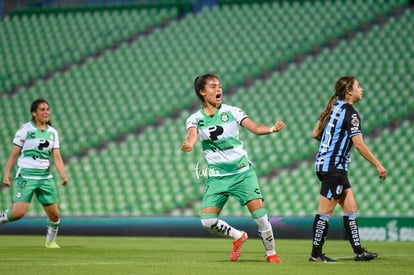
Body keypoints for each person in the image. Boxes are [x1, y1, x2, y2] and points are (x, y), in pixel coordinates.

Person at [181, 73, 285, 263]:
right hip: (218, 177)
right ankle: (238, 236)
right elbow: (192, 135)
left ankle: (271, 253)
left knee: (260, 217)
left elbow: (254, 127)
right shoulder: (195, 119)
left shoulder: (233, 111)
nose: (218, 89)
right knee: (207, 222)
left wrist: (271, 129)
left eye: (219, 85)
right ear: (202, 92)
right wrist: (189, 143)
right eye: (213, 86)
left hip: (243, 174)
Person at [309, 76, 387, 262]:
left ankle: (359, 252)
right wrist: (378, 164)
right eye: (359, 86)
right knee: (325, 212)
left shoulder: (333, 109)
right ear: (349, 92)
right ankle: (315, 254)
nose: (362, 89)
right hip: (333, 167)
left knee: (351, 207)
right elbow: (358, 144)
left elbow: (315, 134)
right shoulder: (351, 113)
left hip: (329, 166)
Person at [1, 98, 68, 248]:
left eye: (47, 109)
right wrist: (6, 174)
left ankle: (50, 242)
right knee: (17, 213)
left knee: (55, 215)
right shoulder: (25, 130)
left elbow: (56, 155)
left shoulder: (52, 132)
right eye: (42, 110)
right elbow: (14, 154)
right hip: (26, 176)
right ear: (34, 113)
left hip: (45, 178)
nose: (46, 112)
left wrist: (63, 175)